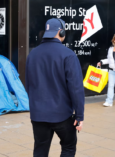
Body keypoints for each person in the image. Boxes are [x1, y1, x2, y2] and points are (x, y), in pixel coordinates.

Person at [26, 18, 85, 157]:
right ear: (61, 31)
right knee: (68, 147)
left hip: (38, 114)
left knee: (40, 150)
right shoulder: (68, 54)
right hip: (62, 114)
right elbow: (76, 88)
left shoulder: (32, 54)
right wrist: (80, 115)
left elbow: (29, 86)